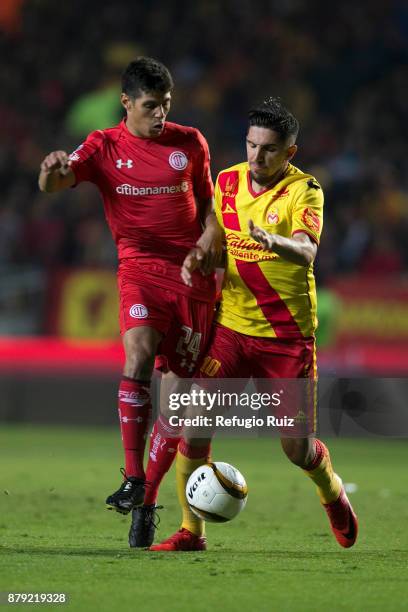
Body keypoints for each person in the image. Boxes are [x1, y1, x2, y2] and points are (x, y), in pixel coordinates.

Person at [150, 97, 358, 551]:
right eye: (251, 145)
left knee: (297, 450)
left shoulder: (306, 191)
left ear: (290, 153)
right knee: (195, 418)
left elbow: (306, 252)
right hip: (231, 331)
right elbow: (217, 242)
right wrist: (199, 257)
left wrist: (273, 241)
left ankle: (332, 491)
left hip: (286, 340)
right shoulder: (226, 182)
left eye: (268, 149)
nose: (256, 157)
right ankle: (192, 531)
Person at [38, 57, 222, 547]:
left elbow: (210, 211)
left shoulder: (190, 143)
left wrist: (206, 246)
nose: (160, 114)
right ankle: (134, 476)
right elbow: (57, 181)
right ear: (126, 103)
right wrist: (51, 172)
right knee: (138, 354)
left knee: (180, 406)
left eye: (166, 104)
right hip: (138, 268)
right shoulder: (103, 146)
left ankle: (145, 500)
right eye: (150, 105)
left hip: (192, 277)